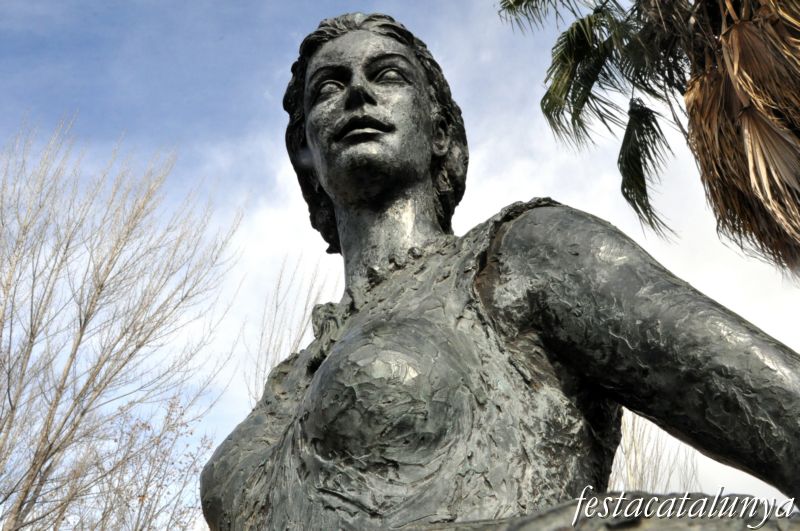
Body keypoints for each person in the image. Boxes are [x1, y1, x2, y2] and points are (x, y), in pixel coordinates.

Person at [200, 13, 800, 530]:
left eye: (387, 75)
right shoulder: (288, 379)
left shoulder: (526, 252)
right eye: (327, 88)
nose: (357, 92)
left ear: (441, 134)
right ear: (306, 157)